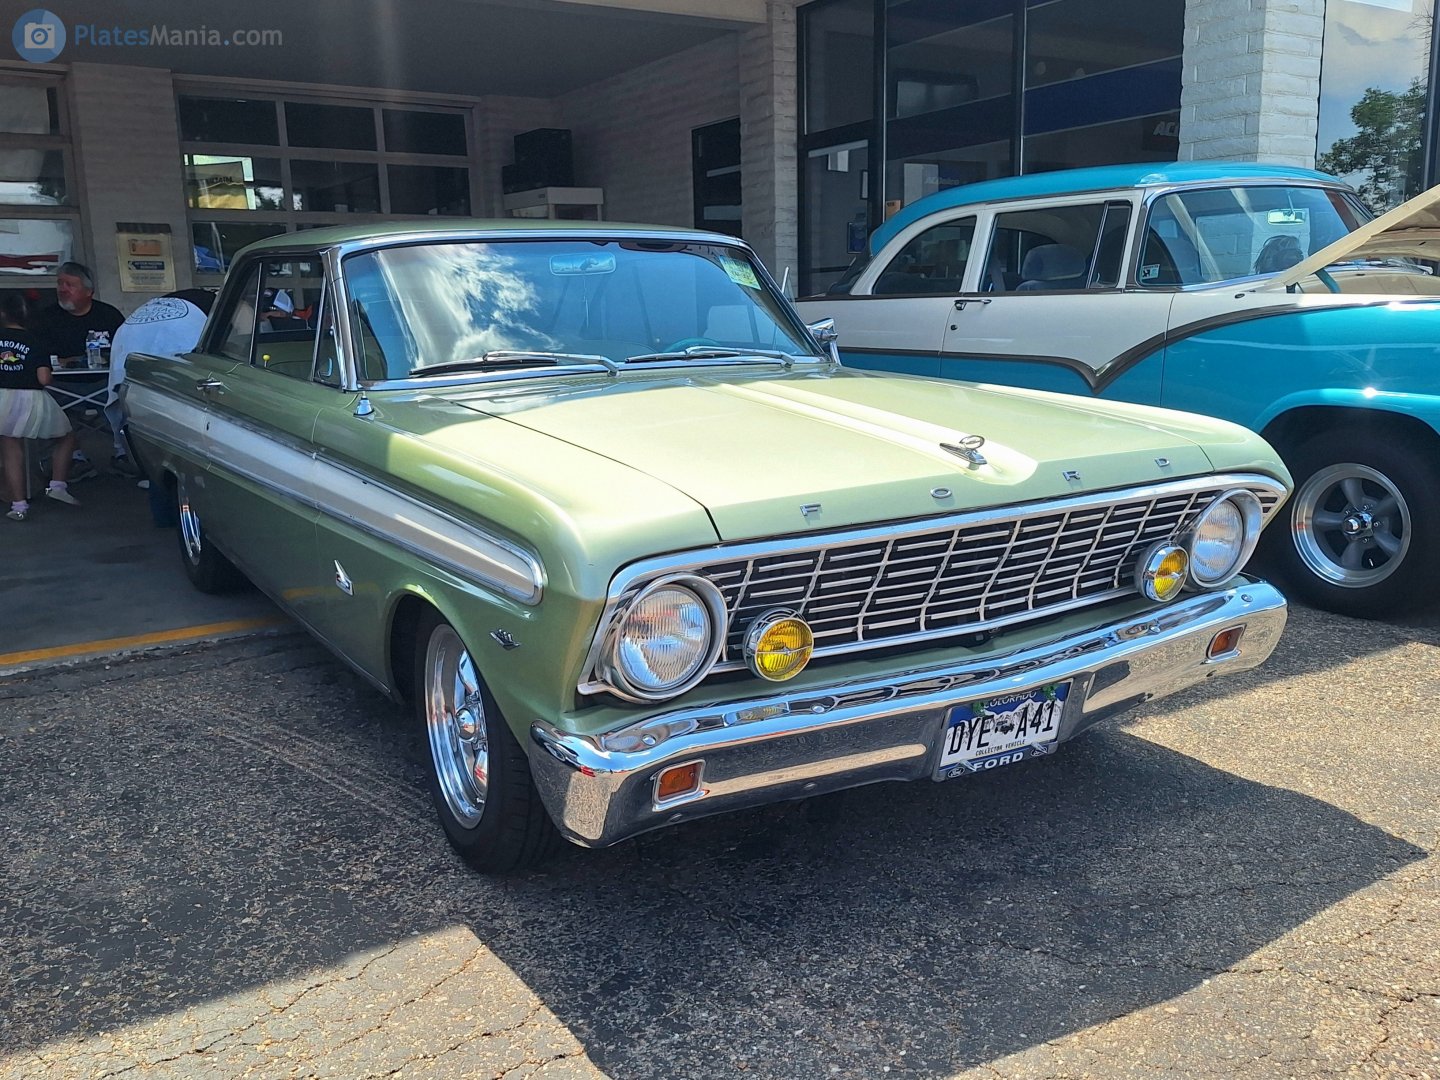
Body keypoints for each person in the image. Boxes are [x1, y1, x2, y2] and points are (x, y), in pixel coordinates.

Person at [105, 288, 215, 473]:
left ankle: (131, 453)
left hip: (132, 331)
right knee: (181, 401)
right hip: (179, 333)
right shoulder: (229, 303)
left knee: (131, 397)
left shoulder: (177, 302)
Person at [0, 293, 80, 521]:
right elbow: (44, 378)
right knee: (66, 437)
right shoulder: (35, 340)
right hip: (31, 399)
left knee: (10, 449)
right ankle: (57, 485)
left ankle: (18, 506)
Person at [31, 260, 125, 365]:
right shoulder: (45, 318)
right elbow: (37, 358)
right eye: (60, 283)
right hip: (61, 375)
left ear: (88, 291)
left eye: (70, 285)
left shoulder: (110, 316)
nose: (63, 289)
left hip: (104, 374)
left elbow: (126, 352)